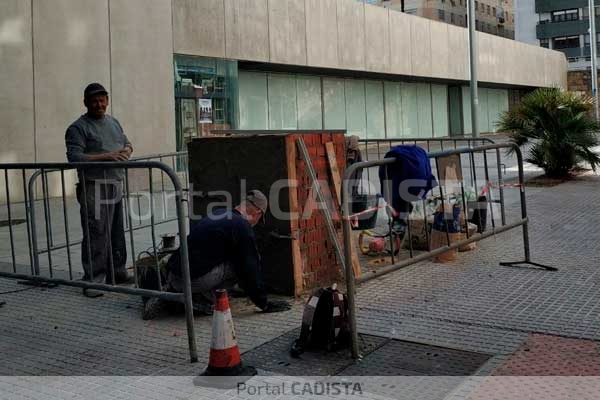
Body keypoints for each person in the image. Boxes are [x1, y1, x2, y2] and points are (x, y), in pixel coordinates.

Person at [142, 190, 291, 320]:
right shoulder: (242, 227)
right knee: (243, 262)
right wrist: (263, 303)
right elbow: (250, 268)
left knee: (231, 257)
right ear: (257, 213)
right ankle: (204, 299)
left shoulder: (219, 214)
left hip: (174, 275)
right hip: (191, 282)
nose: (257, 223)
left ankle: (173, 295)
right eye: (259, 219)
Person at [65, 83, 134, 288]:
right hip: (93, 187)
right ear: (86, 102)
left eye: (102, 100)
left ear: (107, 101)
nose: (99, 104)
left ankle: (118, 273)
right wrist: (107, 156)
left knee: (116, 232)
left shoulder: (114, 122)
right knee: (96, 232)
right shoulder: (78, 128)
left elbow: (127, 143)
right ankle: (94, 279)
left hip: (115, 183)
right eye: (94, 100)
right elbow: (74, 157)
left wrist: (127, 150)